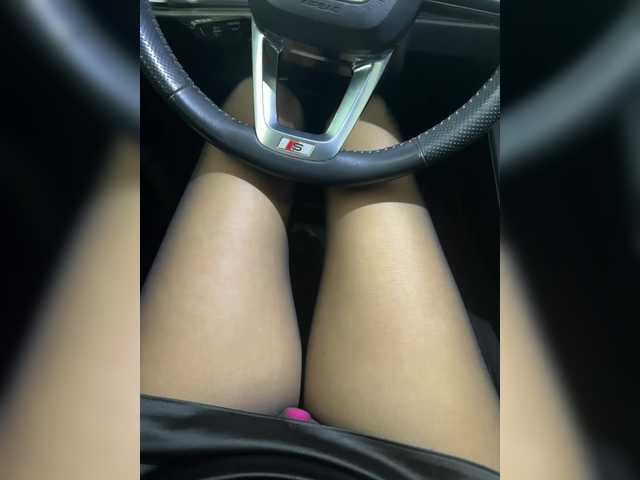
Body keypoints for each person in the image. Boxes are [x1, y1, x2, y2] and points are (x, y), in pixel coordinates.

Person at [141, 78, 500, 472]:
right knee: (367, 128)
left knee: (259, 106)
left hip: (178, 450)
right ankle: (347, 93)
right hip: (408, 468)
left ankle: (297, 94)